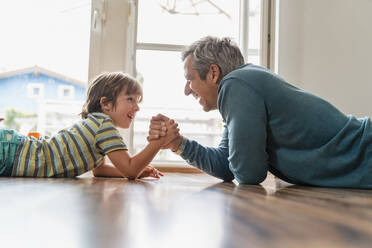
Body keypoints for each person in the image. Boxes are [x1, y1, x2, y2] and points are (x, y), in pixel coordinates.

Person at [149, 36, 372, 189]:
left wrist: (240, 160)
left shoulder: (236, 84)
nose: (187, 90)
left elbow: (249, 174)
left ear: (213, 73)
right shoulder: (241, 89)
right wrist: (178, 143)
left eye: (190, 79)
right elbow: (225, 167)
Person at [0, 72, 179, 179]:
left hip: (14, 152)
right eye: (130, 99)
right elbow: (130, 169)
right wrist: (158, 142)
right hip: (14, 154)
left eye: (138, 101)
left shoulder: (96, 125)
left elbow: (99, 170)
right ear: (106, 104)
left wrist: (139, 171)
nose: (137, 107)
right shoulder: (103, 126)